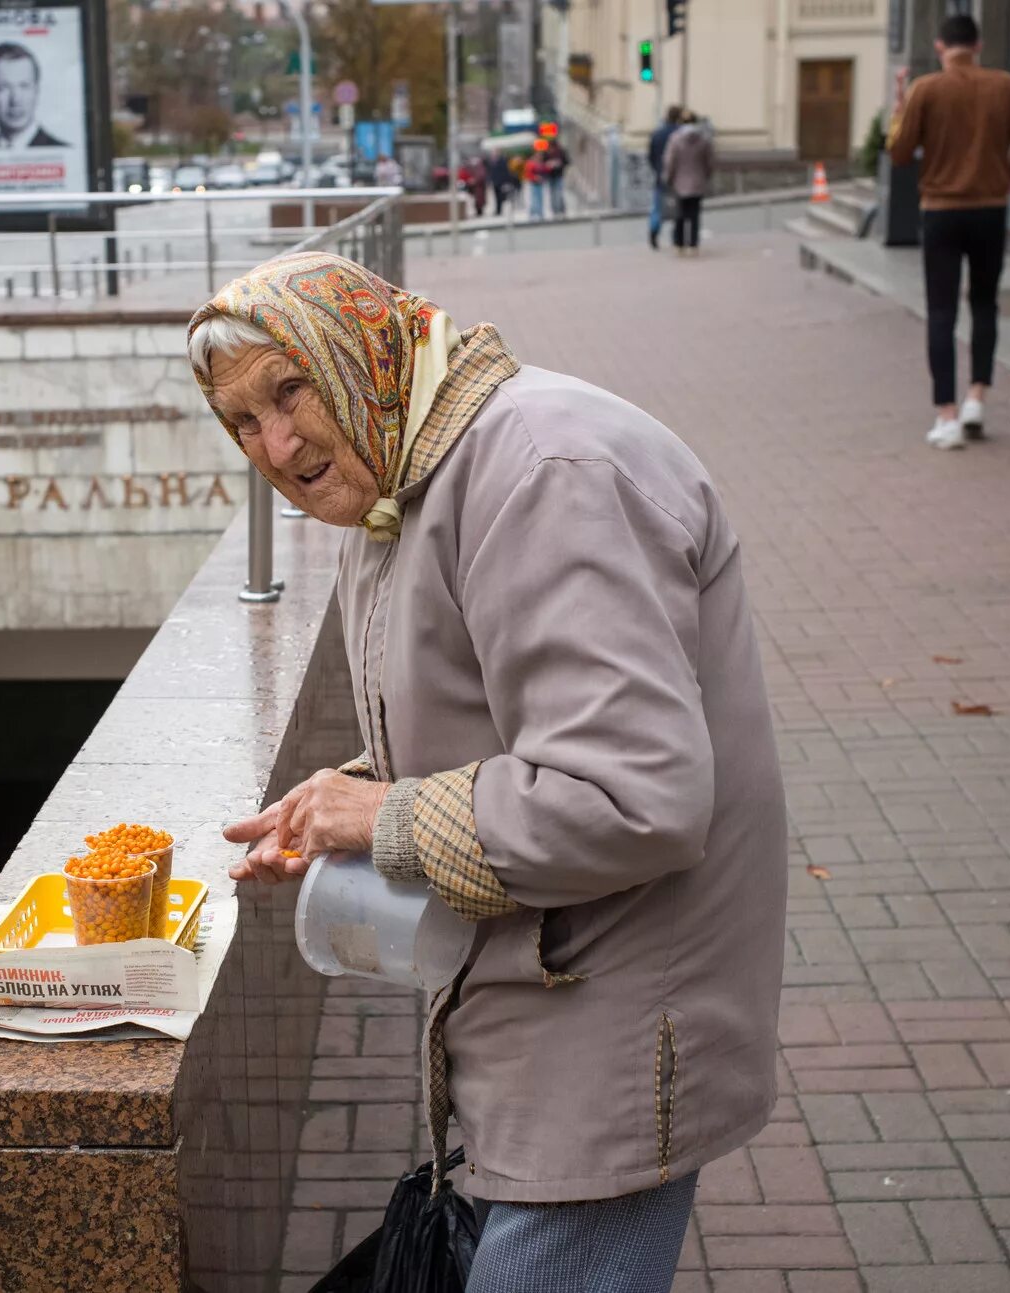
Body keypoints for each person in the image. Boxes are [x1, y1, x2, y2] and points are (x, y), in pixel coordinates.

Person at [186, 252, 785, 1293]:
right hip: (549, 1005)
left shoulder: (545, 473)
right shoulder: (403, 472)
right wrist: (342, 801)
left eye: (290, 390)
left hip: (613, 1020)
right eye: (242, 421)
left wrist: (383, 816)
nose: (275, 445)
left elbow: (629, 798)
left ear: (363, 350)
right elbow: (501, 706)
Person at [889, 12, 1010, 450]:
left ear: (939, 46)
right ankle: (977, 395)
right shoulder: (1006, 85)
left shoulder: (927, 89)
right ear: (978, 45)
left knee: (941, 311)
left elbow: (899, 154)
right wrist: (1005, 173)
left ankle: (947, 416)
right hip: (990, 209)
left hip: (941, 210)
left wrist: (900, 105)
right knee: (984, 303)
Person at [0, 43, 67, 150]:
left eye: (24, 86)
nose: (15, 100)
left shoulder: (64, 152)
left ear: (37, 91)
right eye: (2, 88)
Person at [662, 110, 714, 255]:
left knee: (680, 215)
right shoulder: (703, 140)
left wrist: (668, 178)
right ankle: (693, 245)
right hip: (698, 183)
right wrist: (706, 177)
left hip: (679, 183)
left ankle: (679, 245)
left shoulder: (675, 139)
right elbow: (709, 162)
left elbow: (670, 162)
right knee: (695, 215)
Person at [647, 105, 684, 249]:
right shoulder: (680, 134)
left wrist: (657, 169)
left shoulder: (657, 134)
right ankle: (675, 238)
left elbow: (651, 156)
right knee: (678, 208)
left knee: (657, 208)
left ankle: (654, 233)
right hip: (678, 178)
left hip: (661, 177)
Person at [545, 142, 570, 218]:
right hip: (550, 177)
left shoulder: (561, 153)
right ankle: (555, 210)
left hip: (559, 176)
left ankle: (561, 209)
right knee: (552, 194)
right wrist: (548, 164)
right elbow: (543, 163)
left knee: (559, 193)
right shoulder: (546, 154)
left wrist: (559, 164)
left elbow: (567, 162)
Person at [488, 150, 515, 216]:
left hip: (501, 182)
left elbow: (505, 172)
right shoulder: (492, 162)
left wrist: (506, 182)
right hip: (495, 182)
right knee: (496, 197)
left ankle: (500, 210)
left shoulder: (502, 162)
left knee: (501, 197)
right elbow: (491, 173)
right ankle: (498, 210)